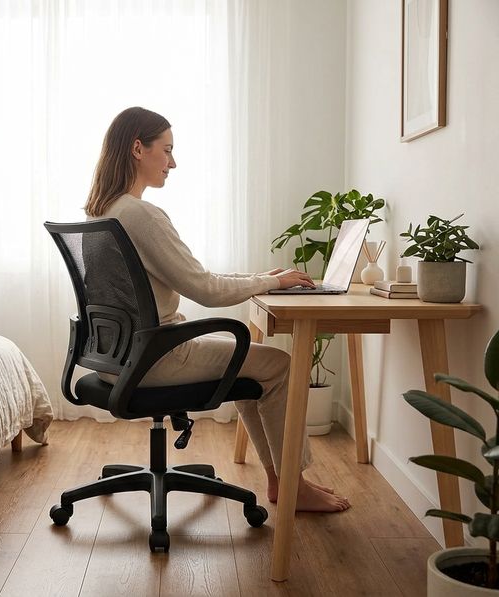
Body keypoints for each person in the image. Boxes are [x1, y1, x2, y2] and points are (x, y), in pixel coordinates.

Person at [84, 106, 350, 512]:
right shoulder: (141, 215)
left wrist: (262, 277)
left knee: (250, 363)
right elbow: (205, 289)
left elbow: (197, 277)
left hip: (114, 358)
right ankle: (292, 486)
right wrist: (272, 283)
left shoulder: (103, 212)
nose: (173, 162)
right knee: (278, 365)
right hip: (156, 358)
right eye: (167, 150)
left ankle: (281, 480)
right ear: (138, 149)